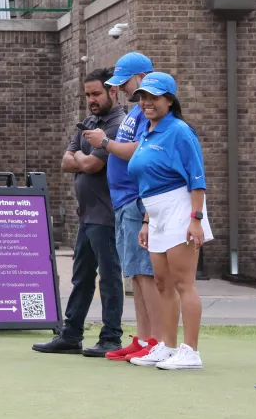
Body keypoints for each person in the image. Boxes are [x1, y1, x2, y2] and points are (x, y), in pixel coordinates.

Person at [34, 68, 124, 357]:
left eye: (96, 93)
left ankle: (111, 338)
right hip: (86, 215)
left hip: (107, 215)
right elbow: (66, 161)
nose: (91, 99)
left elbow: (91, 166)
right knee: (81, 278)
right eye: (87, 95)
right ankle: (71, 335)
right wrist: (83, 158)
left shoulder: (118, 125)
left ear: (113, 92)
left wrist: (82, 158)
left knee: (108, 279)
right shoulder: (87, 123)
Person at [125, 72, 212, 371]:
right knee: (161, 282)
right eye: (143, 97)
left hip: (181, 209)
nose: (147, 103)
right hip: (156, 212)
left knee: (182, 283)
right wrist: (147, 221)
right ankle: (167, 345)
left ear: (169, 100)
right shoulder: (148, 130)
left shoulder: (180, 131)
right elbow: (148, 180)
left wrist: (196, 219)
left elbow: (197, 177)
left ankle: (191, 351)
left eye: (154, 97)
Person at [84, 52, 165, 362]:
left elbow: (141, 152)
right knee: (135, 274)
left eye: (125, 82)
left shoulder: (148, 112)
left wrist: (104, 143)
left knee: (146, 273)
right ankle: (144, 338)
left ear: (142, 78)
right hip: (123, 202)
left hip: (135, 199)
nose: (122, 89)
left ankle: (156, 340)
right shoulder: (135, 111)